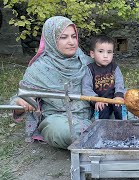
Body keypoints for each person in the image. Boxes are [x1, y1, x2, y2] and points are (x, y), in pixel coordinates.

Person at [11, 16, 94, 149]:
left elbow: (108, 85)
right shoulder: (39, 69)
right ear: (51, 39)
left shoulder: (88, 62)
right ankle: (99, 133)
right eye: (64, 37)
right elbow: (20, 97)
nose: (71, 42)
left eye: (74, 36)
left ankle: (96, 132)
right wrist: (21, 103)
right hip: (59, 120)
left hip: (94, 114)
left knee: (129, 114)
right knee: (63, 132)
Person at [82, 35, 125, 119]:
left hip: (113, 99)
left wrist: (119, 95)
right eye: (101, 51)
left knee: (119, 107)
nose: (105, 56)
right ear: (92, 54)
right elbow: (86, 88)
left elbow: (119, 83)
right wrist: (96, 99)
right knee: (102, 110)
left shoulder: (114, 67)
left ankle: (123, 127)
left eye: (109, 52)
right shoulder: (90, 69)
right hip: (99, 101)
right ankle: (103, 130)